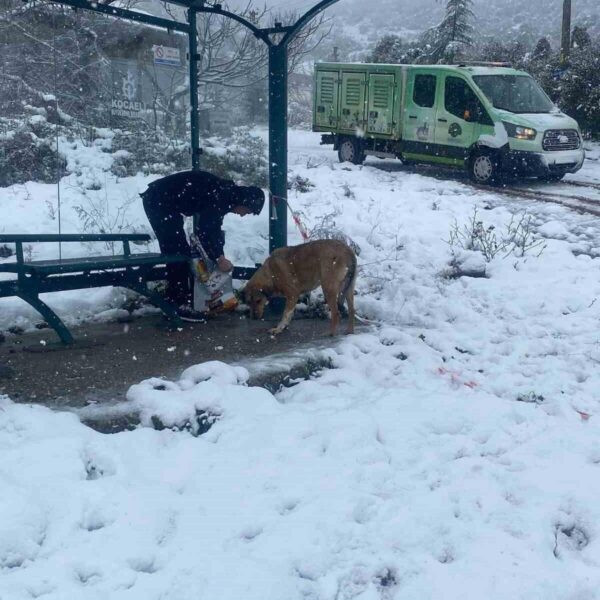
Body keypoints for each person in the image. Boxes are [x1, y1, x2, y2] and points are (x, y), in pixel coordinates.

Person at [141, 170, 265, 321]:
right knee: (177, 252)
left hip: (165, 201)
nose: (244, 214)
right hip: (158, 200)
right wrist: (219, 258)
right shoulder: (221, 195)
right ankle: (177, 304)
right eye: (248, 211)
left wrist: (219, 255)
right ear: (244, 201)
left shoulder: (225, 194)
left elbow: (212, 229)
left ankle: (178, 298)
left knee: (180, 251)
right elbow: (206, 231)